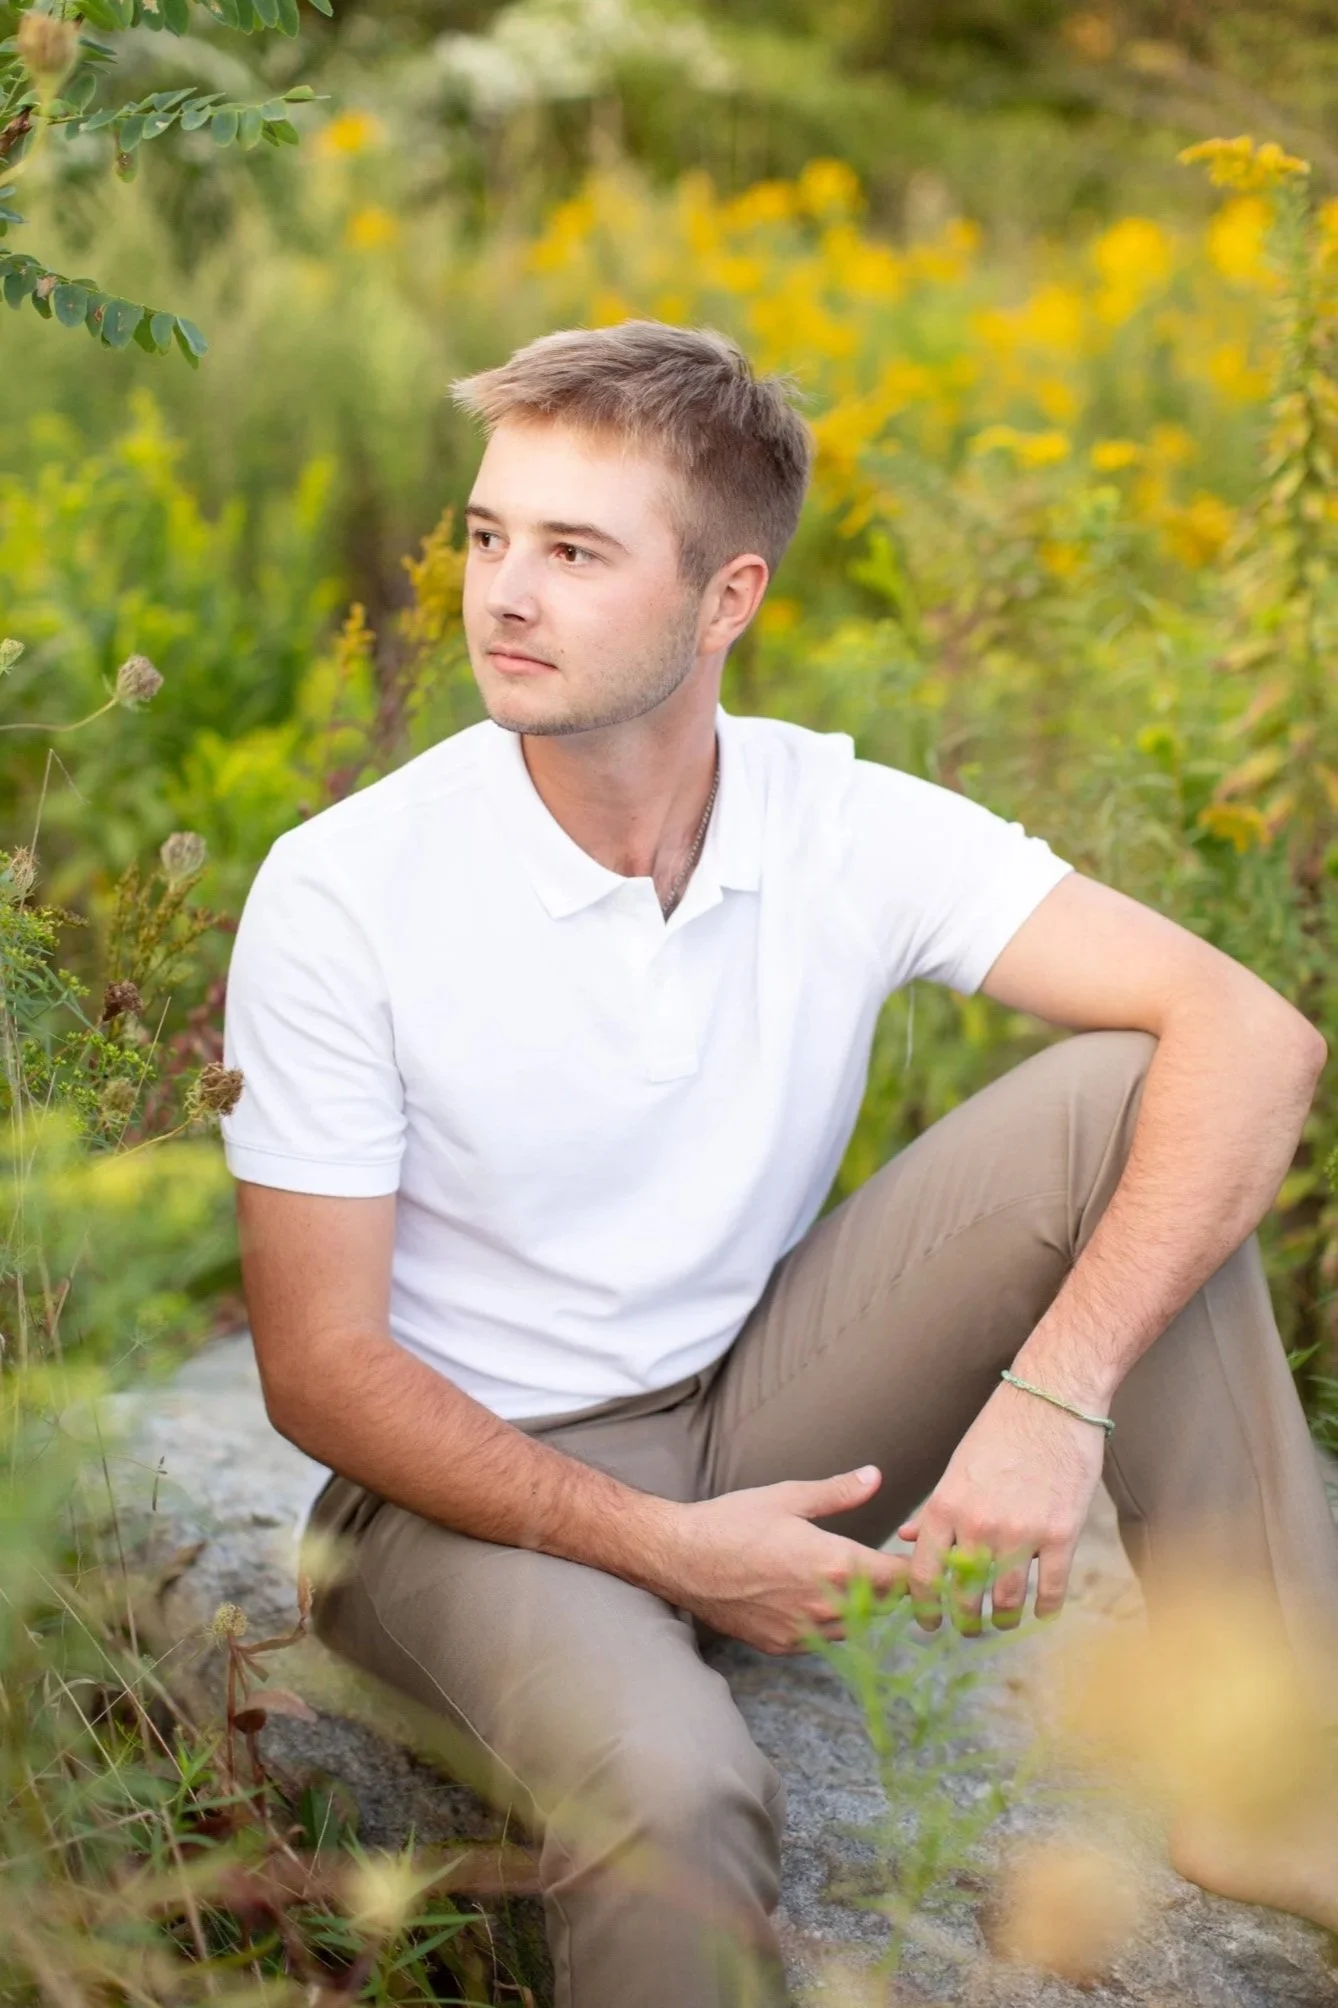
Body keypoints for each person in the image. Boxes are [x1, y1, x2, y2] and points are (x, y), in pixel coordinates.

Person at [223, 320, 1338, 2008]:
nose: (501, 594)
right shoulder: (345, 892)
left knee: (1141, 1091)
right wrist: (672, 1555)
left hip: (757, 1408)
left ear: (724, 597)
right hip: (458, 1502)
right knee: (679, 1797)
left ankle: (1279, 1789)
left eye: (574, 552)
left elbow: (1254, 1034)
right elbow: (317, 1371)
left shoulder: (833, 819)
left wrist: (1053, 1395)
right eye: (487, 534)